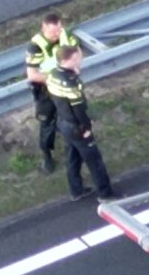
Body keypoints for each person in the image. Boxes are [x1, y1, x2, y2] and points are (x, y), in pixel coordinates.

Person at [45, 45, 116, 201]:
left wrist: (74, 72)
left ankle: (76, 190)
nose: (80, 60)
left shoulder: (53, 75)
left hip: (62, 122)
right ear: (69, 60)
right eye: (77, 58)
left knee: (73, 157)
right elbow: (78, 109)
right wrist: (86, 127)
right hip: (76, 126)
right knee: (94, 161)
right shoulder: (71, 83)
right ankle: (106, 194)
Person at [22, 13, 79, 174]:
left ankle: (74, 149)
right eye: (53, 32)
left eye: (58, 30)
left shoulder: (66, 36)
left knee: (71, 116)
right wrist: (56, 79)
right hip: (46, 91)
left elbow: (76, 51)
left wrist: (74, 68)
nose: (57, 35)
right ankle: (47, 155)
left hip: (65, 87)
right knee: (47, 124)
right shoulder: (35, 47)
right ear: (44, 28)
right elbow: (32, 75)